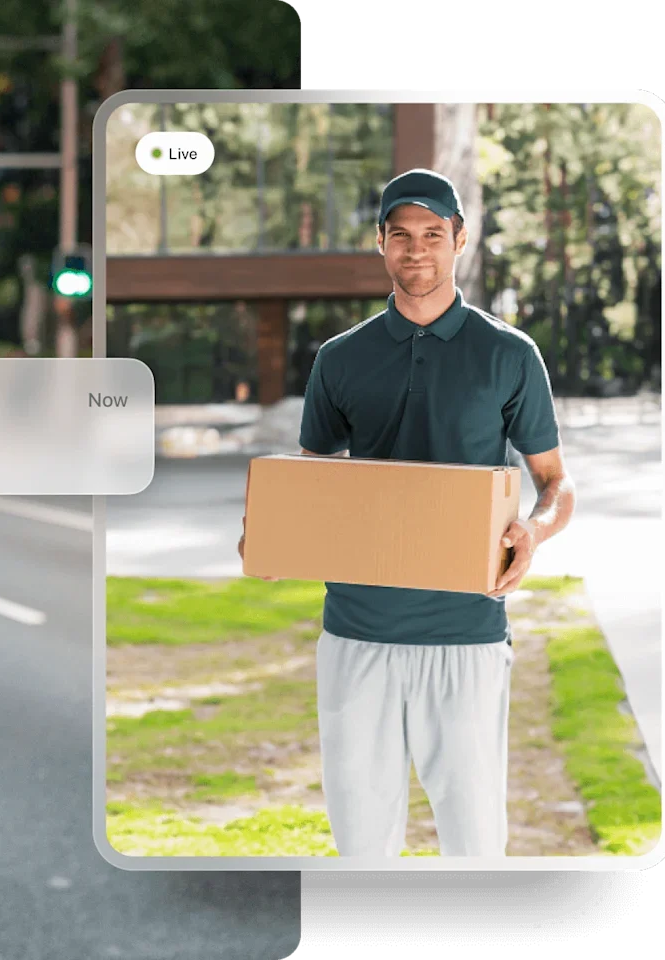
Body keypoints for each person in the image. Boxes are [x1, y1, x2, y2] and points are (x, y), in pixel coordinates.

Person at [239, 169, 575, 857]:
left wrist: (532, 531)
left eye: (431, 235)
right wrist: (273, 538)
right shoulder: (340, 359)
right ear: (381, 246)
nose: (416, 250)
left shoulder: (509, 355)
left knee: (475, 841)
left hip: (467, 635)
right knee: (361, 842)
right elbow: (311, 483)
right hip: (357, 635)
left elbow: (556, 484)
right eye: (401, 236)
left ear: (459, 240)